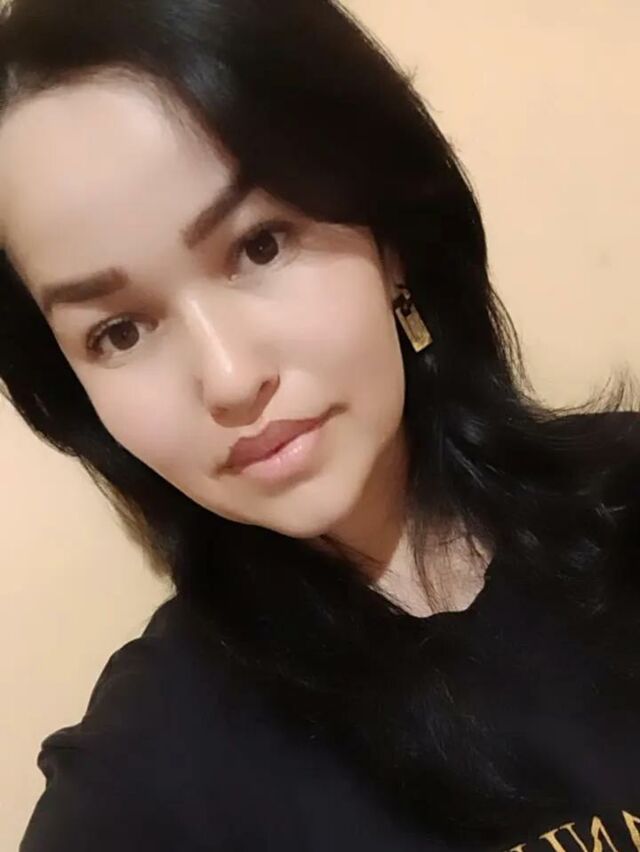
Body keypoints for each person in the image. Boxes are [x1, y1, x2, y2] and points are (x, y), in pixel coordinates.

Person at [1, 0, 638, 849]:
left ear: (390, 236)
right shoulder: (146, 775)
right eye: (118, 331)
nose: (231, 379)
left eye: (261, 245)